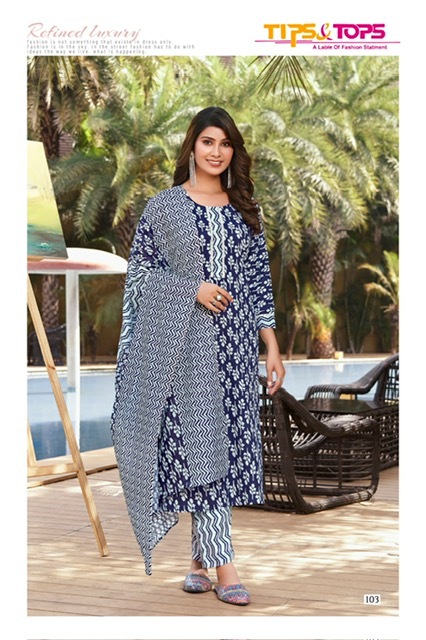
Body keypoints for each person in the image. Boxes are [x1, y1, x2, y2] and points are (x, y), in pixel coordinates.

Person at [110, 106, 286, 607]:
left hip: (234, 349)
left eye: (225, 144)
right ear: (192, 145)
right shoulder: (163, 208)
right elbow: (139, 279)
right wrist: (192, 288)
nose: (216, 151)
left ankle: (197, 561)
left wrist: (271, 344)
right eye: (208, 141)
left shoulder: (246, 210)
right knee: (200, 444)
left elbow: (258, 282)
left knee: (219, 449)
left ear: (234, 151)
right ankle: (225, 566)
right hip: (183, 347)